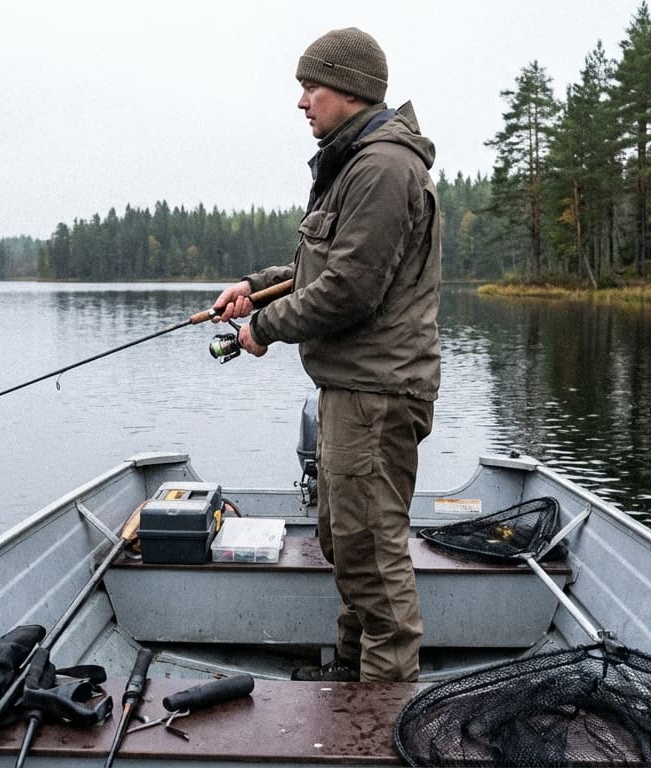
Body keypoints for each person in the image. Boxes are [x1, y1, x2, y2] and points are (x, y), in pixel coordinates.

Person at [210, 27, 441, 683]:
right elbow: (323, 262)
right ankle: (350, 668)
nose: (302, 101)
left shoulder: (382, 168)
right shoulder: (359, 161)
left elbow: (350, 289)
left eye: (310, 87)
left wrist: (265, 328)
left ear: (348, 88)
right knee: (345, 540)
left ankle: (388, 704)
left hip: (379, 392)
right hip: (354, 389)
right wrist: (254, 292)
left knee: (372, 550)